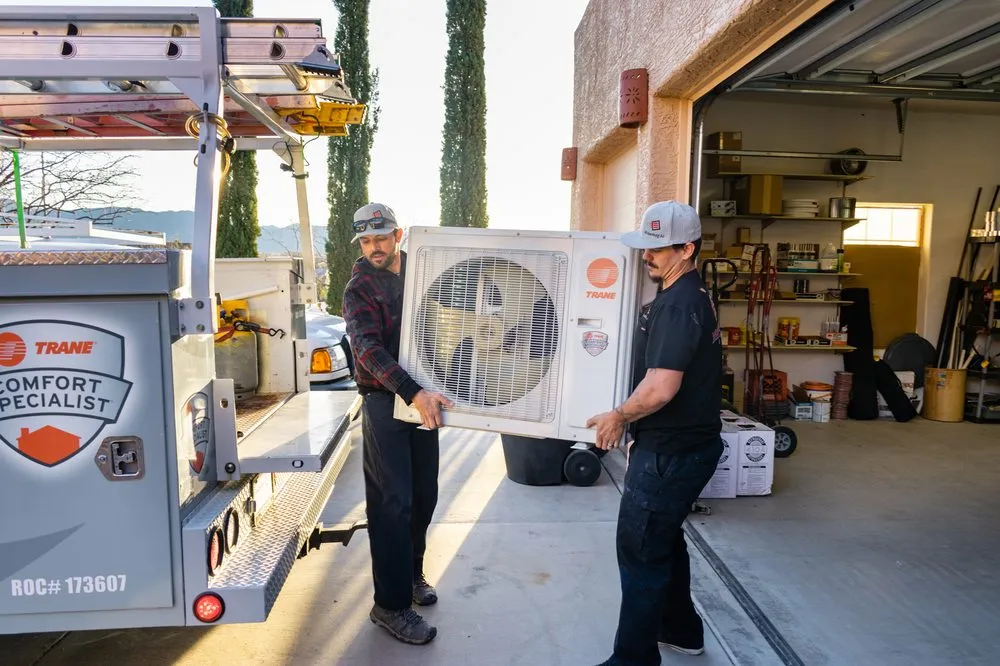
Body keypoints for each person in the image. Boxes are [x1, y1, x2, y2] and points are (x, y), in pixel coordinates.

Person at [586, 200, 724, 666]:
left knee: (641, 548)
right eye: (645, 246)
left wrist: (620, 415)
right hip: (686, 448)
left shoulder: (678, 303)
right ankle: (681, 629)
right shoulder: (690, 295)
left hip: (672, 455)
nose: (647, 256)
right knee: (664, 541)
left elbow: (662, 387)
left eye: (658, 249)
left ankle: (633, 659)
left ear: (687, 249)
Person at [341, 202, 454, 646]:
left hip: (422, 401)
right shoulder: (359, 289)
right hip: (386, 403)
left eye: (381, 238)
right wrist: (412, 391)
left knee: (424, 495)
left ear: (398, 235)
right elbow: (367, 349)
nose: (374, 248)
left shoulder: (422, 273)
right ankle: (389, 606)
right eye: (366, 241)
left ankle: (411, 575)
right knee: (392, 505)